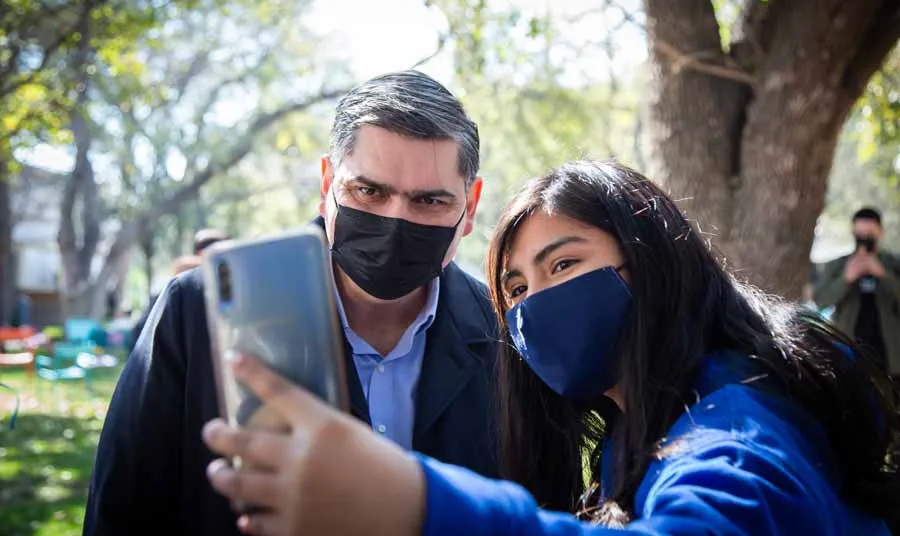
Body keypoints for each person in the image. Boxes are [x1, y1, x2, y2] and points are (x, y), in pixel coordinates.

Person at [202, 160, 899, 536]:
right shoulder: (635, 431)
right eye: (515, 288)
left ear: (653, 262)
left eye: (563, 266)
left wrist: (415, 504)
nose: (536, 302)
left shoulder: (743, 430)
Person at [83, 71, 499, 535]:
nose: (395, 220)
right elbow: (121, 512)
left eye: (430, 201)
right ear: (327, 184)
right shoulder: (197, 311)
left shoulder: (505, 336)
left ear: (470, 204)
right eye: (369, 191)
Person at [814, 207, 900, 378]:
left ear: (880, 232)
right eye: (860, 233)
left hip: (890, 355)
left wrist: (884, 275)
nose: (864, 238)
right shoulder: (838, 265)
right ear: (853, 232)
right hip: (849, 351)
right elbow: (821, 301)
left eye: (870, 233)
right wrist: (846, 279)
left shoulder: (894, 264)